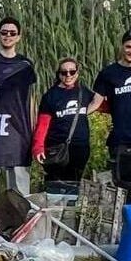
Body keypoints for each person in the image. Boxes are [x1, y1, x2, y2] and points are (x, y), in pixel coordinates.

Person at [0, 17, 37, 198]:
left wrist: (33, 130)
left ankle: (20, 221)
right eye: (4, 33)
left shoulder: (25, 65)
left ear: (19, 37)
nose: (8, 36)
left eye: (12, 33)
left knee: (19, 179)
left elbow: (31, 99)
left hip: (18, 130)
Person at [90, 28, 131, 179]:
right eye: (129, 47)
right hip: (120, 140)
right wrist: (75, 115)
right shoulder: (108, 73)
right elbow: (95, 103)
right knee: (120, 181)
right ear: (122, 46)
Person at [32, 57, 97, 188]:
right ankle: (54, 206)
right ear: (59, 74)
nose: (68, 75)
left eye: (72, 72)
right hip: (56, 147)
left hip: (80, 147)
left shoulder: (84, 91)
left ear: (77, 73)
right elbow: (43, 124)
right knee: (55, 184)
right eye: (64, 72)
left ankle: (72, 207)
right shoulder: (51, 96)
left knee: (75, 184)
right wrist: (38, 147)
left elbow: (101, 101)